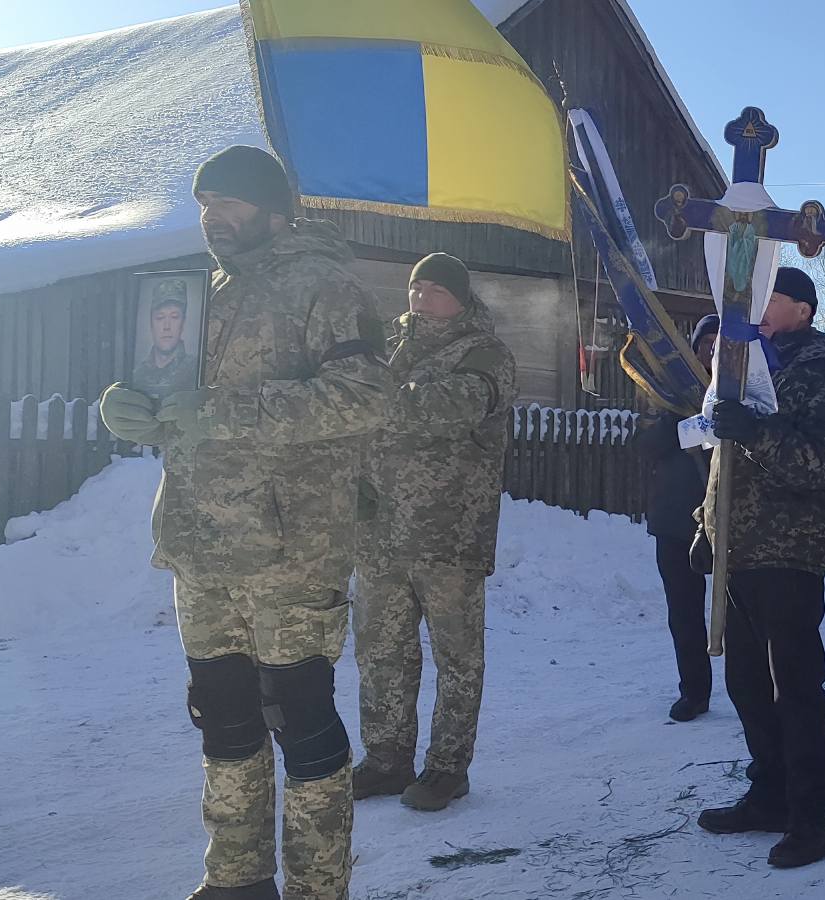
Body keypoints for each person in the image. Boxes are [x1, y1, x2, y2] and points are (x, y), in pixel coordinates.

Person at [97, 145, 392, 900]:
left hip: (290, 551)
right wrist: (135, 407)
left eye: (228, 202)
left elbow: (366, 396)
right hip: (201, 543)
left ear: (274, 209)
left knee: (301, 720)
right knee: (223, 717)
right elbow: (178, 398)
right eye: (205, 205)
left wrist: (225, 412)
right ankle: (236, 880)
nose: (213, 218)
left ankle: (317, 888)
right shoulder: (206, 294)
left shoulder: (325, 285)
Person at [692, 267, 825, 869]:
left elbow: (823, 465)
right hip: (737, 552)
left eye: (773, 298)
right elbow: (724, 460)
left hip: (790, 552)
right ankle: (769, 796)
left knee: (793, 688)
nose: (759, 307)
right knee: (744, 683)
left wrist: (757, 432)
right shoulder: (744, 367)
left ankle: (812, 821)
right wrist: (705, 526)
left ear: (804, 310)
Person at [349, 253, 516, 813]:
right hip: (380, 533)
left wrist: (369, 392)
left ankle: (447, 768)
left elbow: (450, 407)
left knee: (457, 659)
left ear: (460, 299)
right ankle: (386, 759)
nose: (421, 299)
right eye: (415, 288)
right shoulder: (387, 345)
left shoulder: (485, 354)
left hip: (449, 535)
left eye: (435, 290)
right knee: (381, 652)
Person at [636, 315, 719, 722]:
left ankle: (755, 687)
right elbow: (645, 445)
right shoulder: (666, 393)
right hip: (676, 518)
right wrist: (683, 424)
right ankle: (695, 691)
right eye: (706, 343)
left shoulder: (746, 393)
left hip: (731, 518)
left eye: (721, 345)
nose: (713, 351)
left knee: (745, 611)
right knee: (684, 612)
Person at [134, 279, 200, 401]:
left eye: (174, 317)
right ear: (151, 323)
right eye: (160, 318)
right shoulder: (136, 375)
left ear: (183, 323)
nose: (167, 326)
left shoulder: (197, 370)